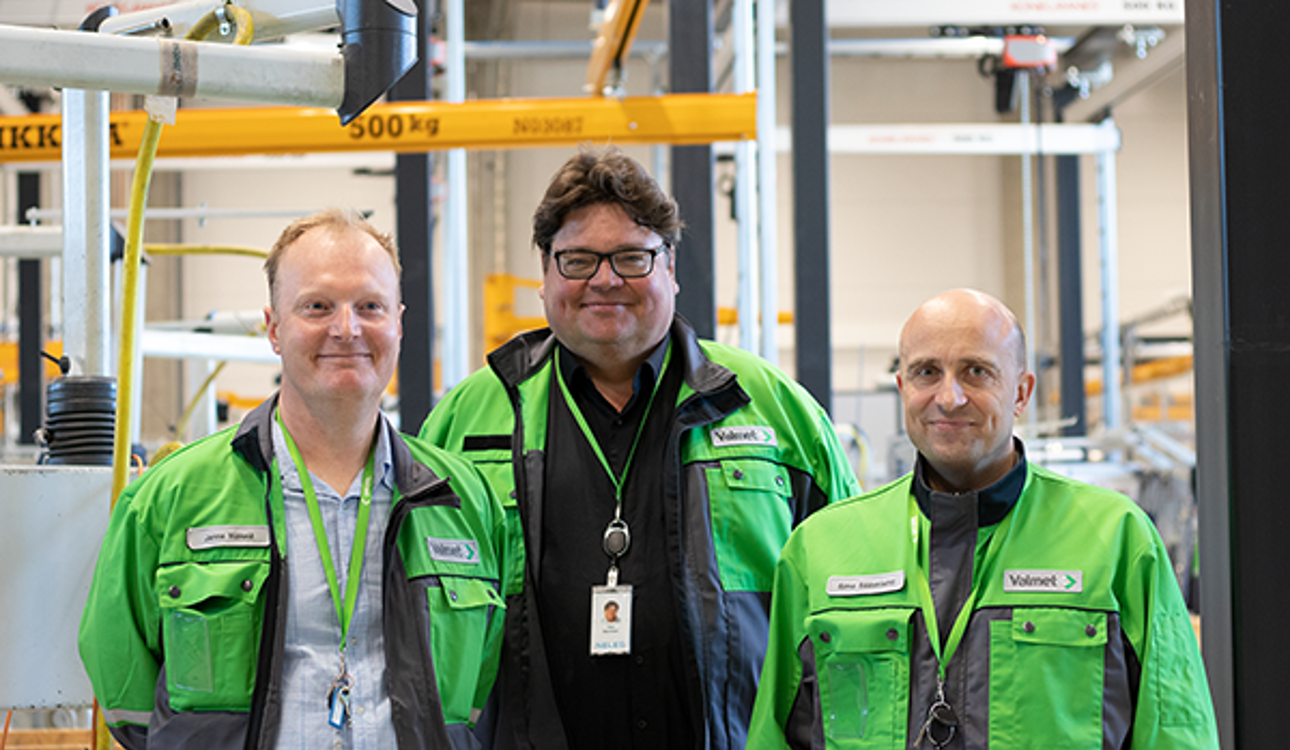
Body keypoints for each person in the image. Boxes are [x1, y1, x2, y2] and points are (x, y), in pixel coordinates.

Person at [420, 147, 860, 750]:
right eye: (577, 260)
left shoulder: (775, 412)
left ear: (670, 267)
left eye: (632, 257)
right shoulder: (468, 421)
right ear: (545, 274)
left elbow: (850, 603)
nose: (605, 279)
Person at [79, 209, 508, 750]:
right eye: (317, 307)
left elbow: (479, 691)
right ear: (274, 329)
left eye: (370, 306)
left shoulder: (465, 502)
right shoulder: (172, 496)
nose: (346, 328)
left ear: (398, 322)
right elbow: (124, 684)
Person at [747, 288, 1219, 749]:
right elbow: (774, 732)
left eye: (976, 372)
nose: (949, 397)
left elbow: (1176, 731)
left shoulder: (1117, 539)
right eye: (926, 372)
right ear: (903, 388)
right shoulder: (820, 550)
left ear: (1021, 391)